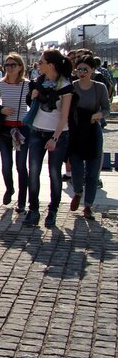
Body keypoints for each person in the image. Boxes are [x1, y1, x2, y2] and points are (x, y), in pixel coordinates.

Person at [25, 49, 73, 227]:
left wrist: (55, 138)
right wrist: (32, 96)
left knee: (54, 173)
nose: (39, 64)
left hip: (57, 134)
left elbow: (64, 116)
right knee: (34, 171)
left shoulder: (65, 85)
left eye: (41, 61)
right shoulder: (38, 82)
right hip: (37, 131)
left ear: (51, 65)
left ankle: (53, 210)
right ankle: (34, 209)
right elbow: (31, 104)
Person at [68, 54, 110, 220]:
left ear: (93, 70)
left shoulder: (99, 87)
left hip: (93, 130)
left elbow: (106, 108)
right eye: (79, 69)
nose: (82, 72)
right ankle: (78, 192)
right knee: (77, 170)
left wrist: (98, 115)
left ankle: (88, 206)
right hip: (77, 132)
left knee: (93, 173)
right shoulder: (72, 87)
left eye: (85, 69)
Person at [0, 53, 29, 213]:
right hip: (5, 129)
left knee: (21, 166)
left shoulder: (27, 85)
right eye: (7, 65)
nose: (9, 67)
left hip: (22, 128)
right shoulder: (0, 84)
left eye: (13, 64)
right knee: (6, 165)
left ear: (20, 67)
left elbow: (33, 105)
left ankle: (21, 201)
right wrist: (1, 109)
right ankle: (9, 188)